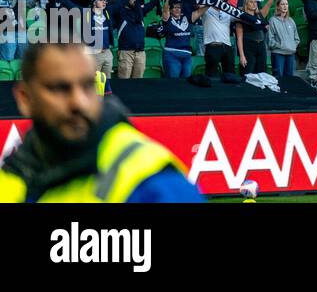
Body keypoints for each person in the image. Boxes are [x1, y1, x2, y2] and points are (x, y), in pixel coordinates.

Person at [0, 42, 203, 202]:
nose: (78, 102)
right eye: (60, 88)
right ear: (25, 98)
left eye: (88, 86)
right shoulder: (10, 181)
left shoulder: (149, 177)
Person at [267, 0, 300, 78]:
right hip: (278, 54)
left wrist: (292, 46)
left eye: (286, 4)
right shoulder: (272, 20)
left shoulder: (291, 21)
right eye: (282, 4)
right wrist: (281, 46)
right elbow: (270, 39)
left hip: (290, 54)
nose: (285, 6)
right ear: (278, 6)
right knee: (278, 78)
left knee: (289, 78)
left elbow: (296, 38)